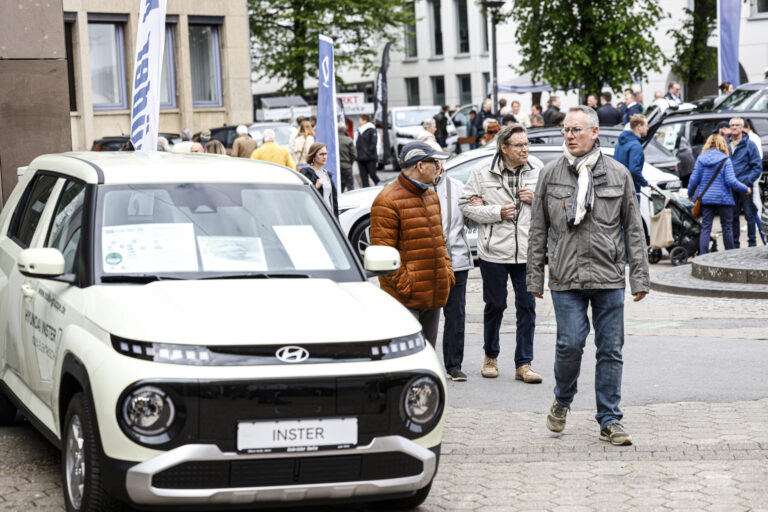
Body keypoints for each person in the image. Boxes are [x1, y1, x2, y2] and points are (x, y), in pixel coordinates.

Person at [527, 105, 650, 447]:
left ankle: (609, 419)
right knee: (570, 344)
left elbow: (633, 230)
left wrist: (639, 278)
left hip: (609, 277)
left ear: (595, 133)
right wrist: (534, 278)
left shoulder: (618, 174)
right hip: (565, 279)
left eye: (576, 130)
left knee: (610, 349)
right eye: (566, 130)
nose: (569, 136)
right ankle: (562, 400)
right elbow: (538, 229)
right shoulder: (550, 174)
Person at [459, 124, 543, 383]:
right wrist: (495, 212)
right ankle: (490, 356)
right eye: (519, 145)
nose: (525, 149)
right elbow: (465, 205)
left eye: (526, 144)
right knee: (495, 305)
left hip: (527, 251)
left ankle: (524, 364)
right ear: (504, 148)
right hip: (493, 252)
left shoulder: (537, 169)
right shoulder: (482, 171)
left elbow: (554, 204)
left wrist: (536, 197)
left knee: (527, 307)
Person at [370, 141, 455, 346]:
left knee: (428, 355)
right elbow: (383, 256)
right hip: (405, 299)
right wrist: (408, 286)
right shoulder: (387, 200)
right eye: (435, 162)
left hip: (433, 295)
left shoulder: (431, 196)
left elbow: (440, 241)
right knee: (407, 358)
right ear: (419, 166)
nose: (439, 168)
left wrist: (446, 273)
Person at [428, 140, 474, 381]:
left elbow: (471, 223)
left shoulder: (457, 187)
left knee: (456, 315)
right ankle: (426, 364)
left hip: (456, 260)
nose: (435, 165)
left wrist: (477, 208)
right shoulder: (414, 189)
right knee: (427, 318)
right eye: (430, 160)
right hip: (425, 265)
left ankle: (454, 365)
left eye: (438, 160)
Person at [687, 134, 749, 254]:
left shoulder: (701, 159)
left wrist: (690, 194)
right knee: (727, 227)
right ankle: (729, 255)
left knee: (705, 227)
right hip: (724, 199)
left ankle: (703, 256)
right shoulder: (725, 160)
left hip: (706, 199)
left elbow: (693, 180)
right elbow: (731, 181)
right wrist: (745, 188)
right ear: (723, 144)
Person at [728, 117, 762, 248]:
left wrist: (747, 180)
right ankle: (735, 245)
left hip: (745, 185)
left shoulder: (750, 145)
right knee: (733, 216)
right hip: (731, 186)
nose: (735, 127)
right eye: (732, 125)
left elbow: (757, 167)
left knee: (749, 215)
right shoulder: (726, 144)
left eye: (737, 125)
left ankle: (752, 243)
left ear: (742, 127)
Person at [613, 114, 648, 197]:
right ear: (639, 127)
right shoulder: (636, 146)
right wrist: (645, 182)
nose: (647, 128)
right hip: (631, 191)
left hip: (619, 188)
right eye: (646, 125)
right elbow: (634, 170)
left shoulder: (620, 143)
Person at [300, 143, 338, 216]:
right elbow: (302, 196)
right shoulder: (306, 172)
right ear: (313, 156)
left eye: (326, 154)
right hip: (315, 215)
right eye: (321, 154)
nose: (324, 157)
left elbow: (333, 201)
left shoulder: (327, 174)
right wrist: (315, 187)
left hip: (329, 215)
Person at [743, 119, 763, 217]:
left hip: (752, 170)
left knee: (754, 195)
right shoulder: (752, 137)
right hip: (752, 170)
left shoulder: (752, 138)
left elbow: (758, 156)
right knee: (753, 195)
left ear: (748, 127)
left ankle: (756, 220)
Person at [356, 114, 379, 187]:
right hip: (361, 158)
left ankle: (382, 187)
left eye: (360, 120)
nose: (359, 122)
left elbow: (373, 143)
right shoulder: (359, 130)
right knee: (363, 178)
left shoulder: (372, 130)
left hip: (370, 158)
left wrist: (367, 153)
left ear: (365, 121)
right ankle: (366, 192)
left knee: (373, 175)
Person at [337, 123, 357, 192]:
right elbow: (354, 154)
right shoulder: (348, 140)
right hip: (347, 166)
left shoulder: (334, 140)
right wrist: (350, 163)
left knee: (339, 187)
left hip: (337, 167)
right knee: (350, 187)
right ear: (345, 130)